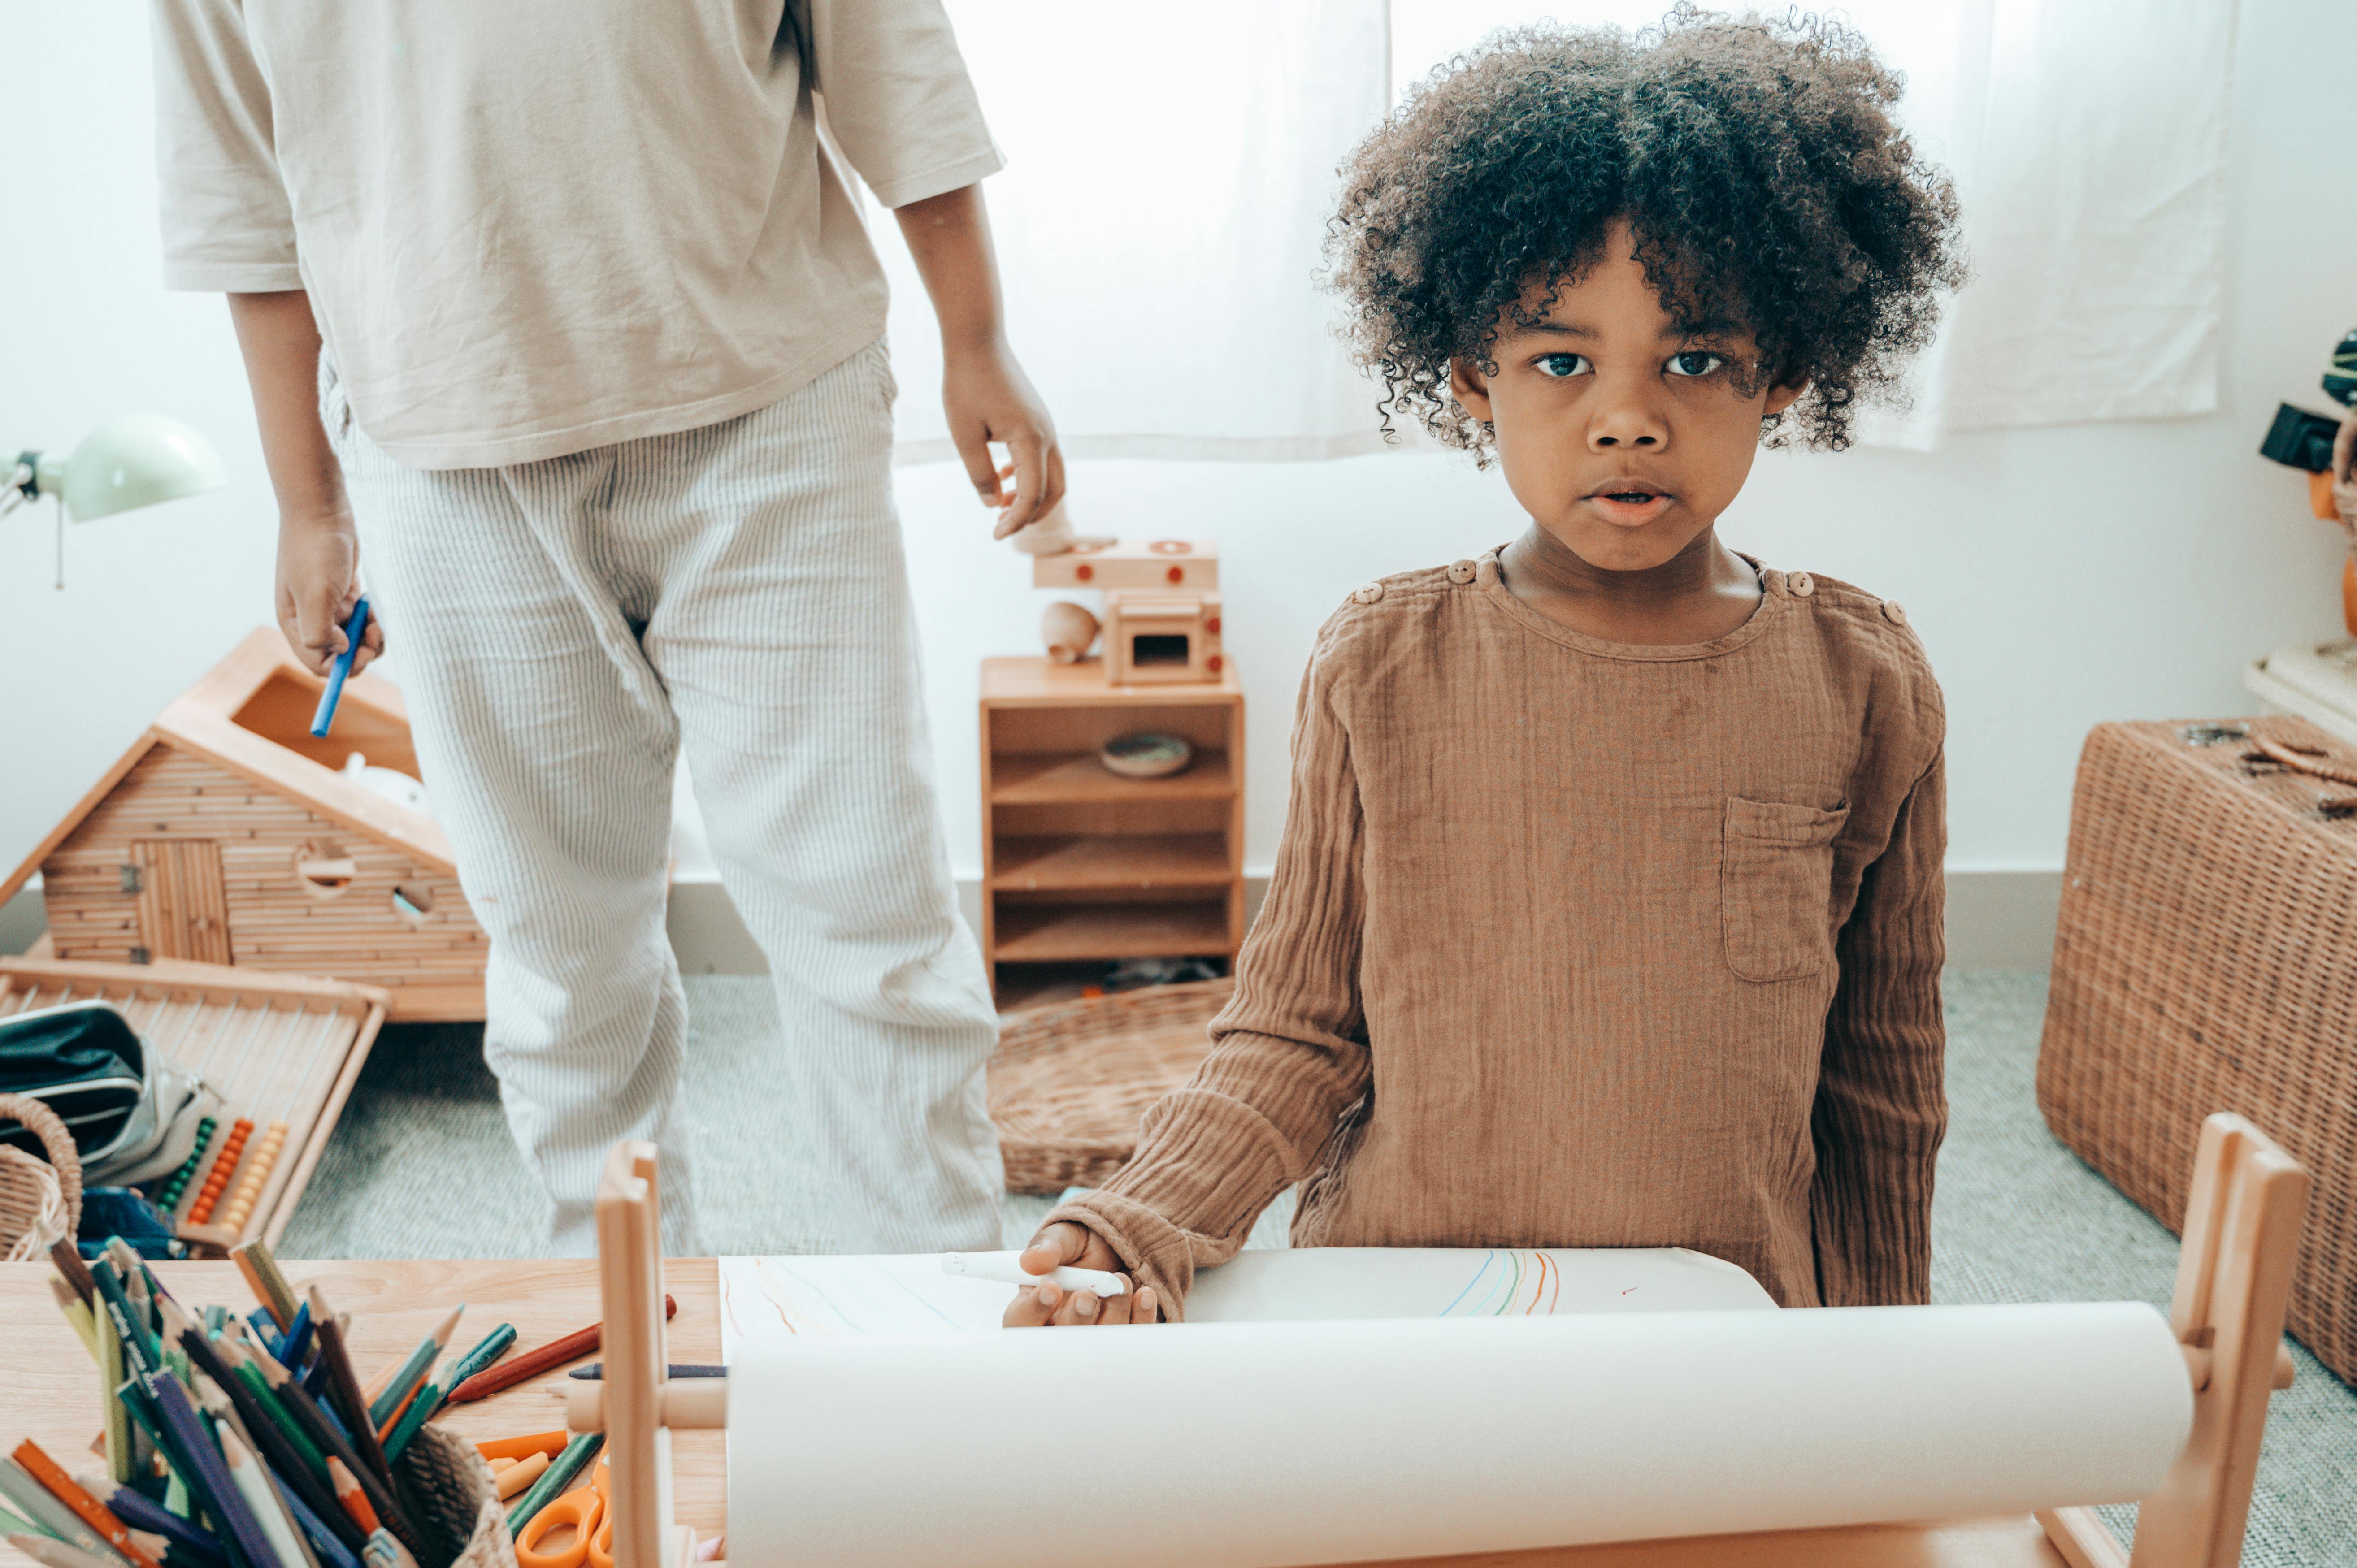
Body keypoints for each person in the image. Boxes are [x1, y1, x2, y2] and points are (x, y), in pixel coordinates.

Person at [1007, 8, 1966, 1327]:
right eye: (1558, 360)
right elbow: (1292, 1028)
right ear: (1471, 373)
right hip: (1404, 1317)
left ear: (1786, 372)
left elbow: (1880, 1078)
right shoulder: (1380, 663)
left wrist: (1881, 1356)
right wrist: (1141, 1216)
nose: (1625, 415)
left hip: (1720, 1334)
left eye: (1696, 360)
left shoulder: (1865, 681)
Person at [149, 0, 1060, 1255]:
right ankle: (622, 1316)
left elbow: (886, 48)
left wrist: (977, 340)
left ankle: (940, 1311)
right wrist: (308, 500)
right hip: (448, 449)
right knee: (561, 958)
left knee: (869, 919)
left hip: (769, 404)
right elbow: (247, 186)